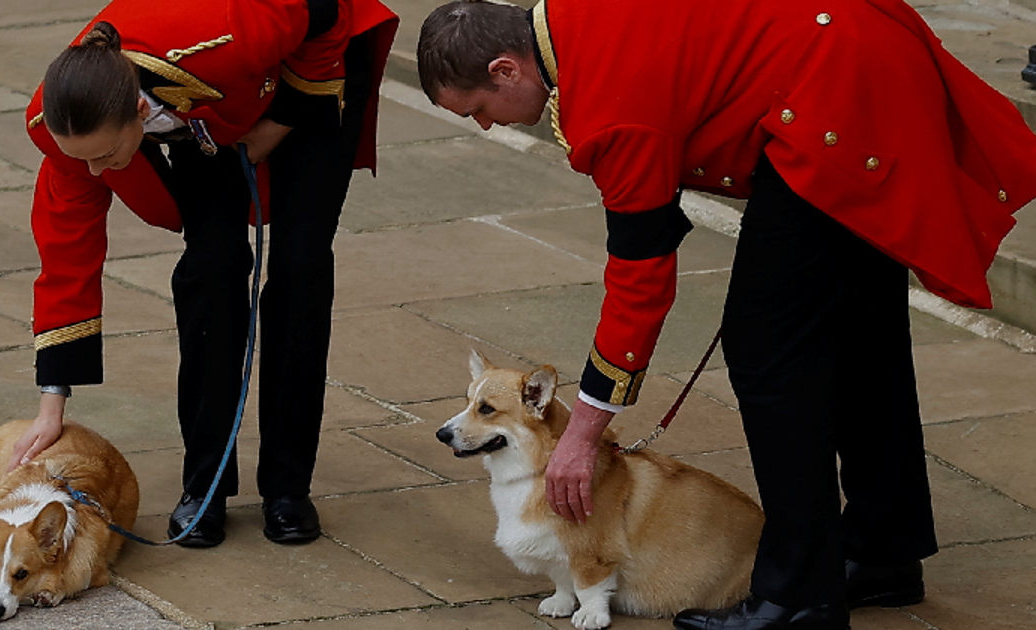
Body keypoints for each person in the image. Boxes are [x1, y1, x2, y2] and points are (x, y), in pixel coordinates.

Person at [417, 0, 1036, 628]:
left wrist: (581, 434)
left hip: (834, 99)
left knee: (769, 351)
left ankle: (800, 595)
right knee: (857, 330)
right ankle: (882, 551)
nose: (489, 128)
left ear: (506, 70)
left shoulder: (608, 109)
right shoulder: (575, 26)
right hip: (851, 57)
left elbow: (640, 282)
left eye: (479, 111)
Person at [10, 0, 397, 549]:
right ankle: (205, 485)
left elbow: (324, 11)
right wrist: (53, 405)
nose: (95, 173)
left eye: (106, 155)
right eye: (86, 160)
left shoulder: (224, 35)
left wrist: (281, 119)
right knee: (211, 268)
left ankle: (287, 488)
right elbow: (66, 260)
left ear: (138, 116)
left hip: (316, 64)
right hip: (208, 106)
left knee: (300, 264)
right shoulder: (68, 125)